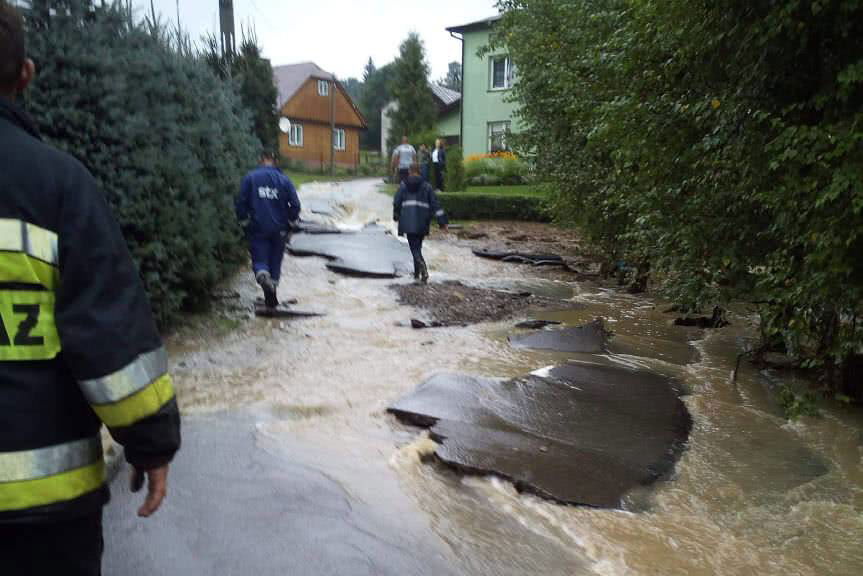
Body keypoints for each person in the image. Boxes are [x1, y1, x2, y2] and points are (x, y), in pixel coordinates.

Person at [0, 3, 182, 574]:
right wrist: (151, 443)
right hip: (44, 520)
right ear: (24, 76)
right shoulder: (57, 186)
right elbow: (108, 341)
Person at [236, 150, 301, 310]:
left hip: (257, 227)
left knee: (260, 260)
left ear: (261, 160)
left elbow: (240, 202)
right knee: (275, 262)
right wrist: (291, 221)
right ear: (275, 161)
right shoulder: (284, 180)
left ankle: (264, 281)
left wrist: (244, 221)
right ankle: (271, 298)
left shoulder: (250, 178)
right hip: (280, 229)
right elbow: (295, 204)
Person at [393, 164, 449, 283]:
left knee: (414, 248)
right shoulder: (427, 186)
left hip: (408, 221)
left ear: (409, 171)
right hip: (423, 221)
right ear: (420, 172)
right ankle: (416, 273)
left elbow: (396, 201)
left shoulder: (403, 185)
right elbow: (435, 205)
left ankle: (422, 267)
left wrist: (396, 215)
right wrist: (442, 222)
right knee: (418, 246)